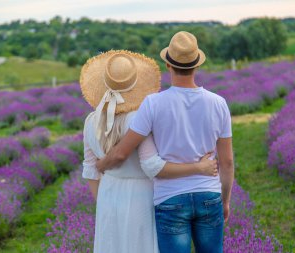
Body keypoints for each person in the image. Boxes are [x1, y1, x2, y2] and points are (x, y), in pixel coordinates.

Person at [96, 32, 234, 253]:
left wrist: (101, 165)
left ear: (168, 65)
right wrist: (224, 201)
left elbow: (122, 152)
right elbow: (226, 163)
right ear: (196, 66)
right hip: (209, 195)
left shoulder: (152, 104)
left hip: (170, 199)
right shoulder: (219, 103)